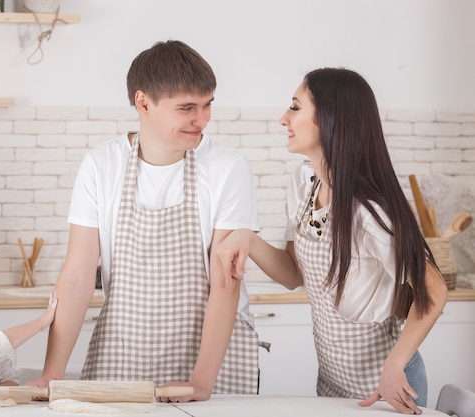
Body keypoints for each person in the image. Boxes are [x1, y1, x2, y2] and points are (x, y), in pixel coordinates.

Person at [34, 40, 261, 401]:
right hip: (123, 347)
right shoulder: (101, 165)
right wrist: (51, 374)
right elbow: (77, 277)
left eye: (207, 106)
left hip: (212, 355)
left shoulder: (228, 167)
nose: (201, 120)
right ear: (143, 103)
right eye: (187, 108)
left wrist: (200, 382)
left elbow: (225, 283)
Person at [216, 68, 448, 414]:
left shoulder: (368, 213)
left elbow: (435, 289)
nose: (283, 119)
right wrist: (246, 237)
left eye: (295, 108)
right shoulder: (304, 183)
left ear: (329, 118)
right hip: (331, 381)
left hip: (387, 385)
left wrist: (395, 365)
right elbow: (294, 274)